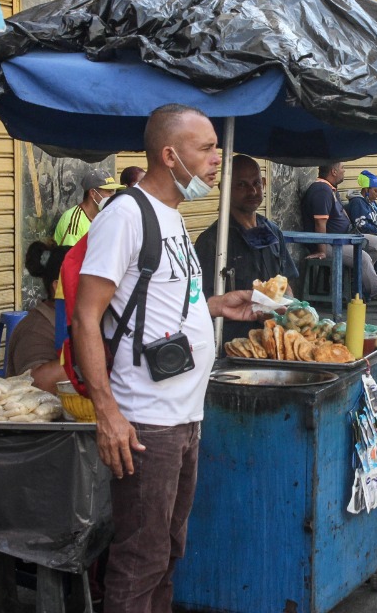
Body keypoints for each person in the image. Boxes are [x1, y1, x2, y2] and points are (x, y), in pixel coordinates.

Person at [72, 103, 264, 613]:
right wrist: (108, 414)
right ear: (169, 154)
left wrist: (219, 305)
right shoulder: (125, 216)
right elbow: (85, 317)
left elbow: (164, 302)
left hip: (185, 416)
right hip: (145, 421)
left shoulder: (173, 216)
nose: (216, 159)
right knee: (140, 558)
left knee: (168, 551)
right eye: (206, 149)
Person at [195, 155, 299, 345]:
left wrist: (288, 310)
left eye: (256, 183)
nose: (252, 191)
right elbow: (200, 303)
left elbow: (286, 282)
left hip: (274, 341)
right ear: (224, 189)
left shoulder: (273, 232)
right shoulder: (212, 242)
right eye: (241, 185)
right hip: (231, 344)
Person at [301, 161, 377, 310]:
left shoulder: (330, 189)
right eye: (342, 168)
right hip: (330, 243)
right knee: (363, 258)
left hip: (345, 237)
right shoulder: (321, 191)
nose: (345, 171)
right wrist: (322, 250)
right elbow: (320, 224)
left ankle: (358, 281)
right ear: (333, 171)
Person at [6, 240, 72, 393]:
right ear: (58, 287)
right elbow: (34, 383)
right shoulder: (34, 330)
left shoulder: (79, 318)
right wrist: (92, 357)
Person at [54, 169, 125, 246]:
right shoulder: (73, 220)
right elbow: (72, 255)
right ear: (93, 193)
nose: (113, 196)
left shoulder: (108, 216)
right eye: (109, 191)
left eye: (113, 192)